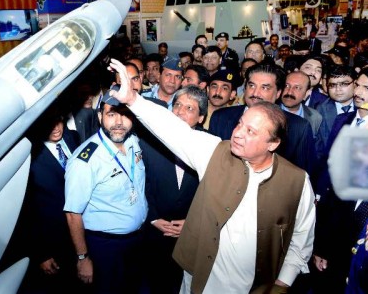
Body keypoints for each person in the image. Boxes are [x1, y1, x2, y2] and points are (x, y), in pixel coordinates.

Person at [108, 58, 315, 294]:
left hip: (254, 286)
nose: (237, 134)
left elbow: (301, 238)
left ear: (273, 143)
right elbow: (174, 130)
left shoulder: (297, 182)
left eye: (250, 131)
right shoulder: (216, 152)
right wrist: (133, 100)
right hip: (200, 277)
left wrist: (282, 283)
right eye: (240, 124)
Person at [64, 86, 147, 294]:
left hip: (137, 241)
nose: (119, 122)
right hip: (106, 247)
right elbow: (73, 214)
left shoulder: (134, 143)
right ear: (100, 116)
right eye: (112, 114)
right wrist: (82, 258)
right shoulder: (85, 160)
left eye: (125, 115)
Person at [142, 86, 207, 294]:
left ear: (201, 118)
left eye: (189, 108)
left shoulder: (210, 146)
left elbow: (212, 194)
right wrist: (153, 218)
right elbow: (140, 185)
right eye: (177, 105)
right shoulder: (149, 141)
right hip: (154, 234)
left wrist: (192, 224)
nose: (179, 111)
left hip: (192, 238)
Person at [311, 68, 368, 294]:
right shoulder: (342, 120)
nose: (359, 92)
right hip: (335, 224)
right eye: (359, 85)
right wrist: (321, 246)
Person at [209, 62, 317, 176]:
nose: (255, 93)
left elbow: (303, 176)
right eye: (252, 85)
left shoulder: (298, 127)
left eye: (265, 88)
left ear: (278, 93)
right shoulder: (220, 117)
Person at [25, 107, 82, 293]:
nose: (56, 128)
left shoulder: (73, 137)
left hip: (84, 231)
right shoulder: (29, 157)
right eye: (47, 124)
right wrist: (41, 253)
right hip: (54, 241)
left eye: (58, 120)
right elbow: (26, 211)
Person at [281, 71, 323, 137]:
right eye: (287, 86)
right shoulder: (270, 111)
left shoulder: (315, 117)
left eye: (297, 88)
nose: (289, 92)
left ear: (306, 94)